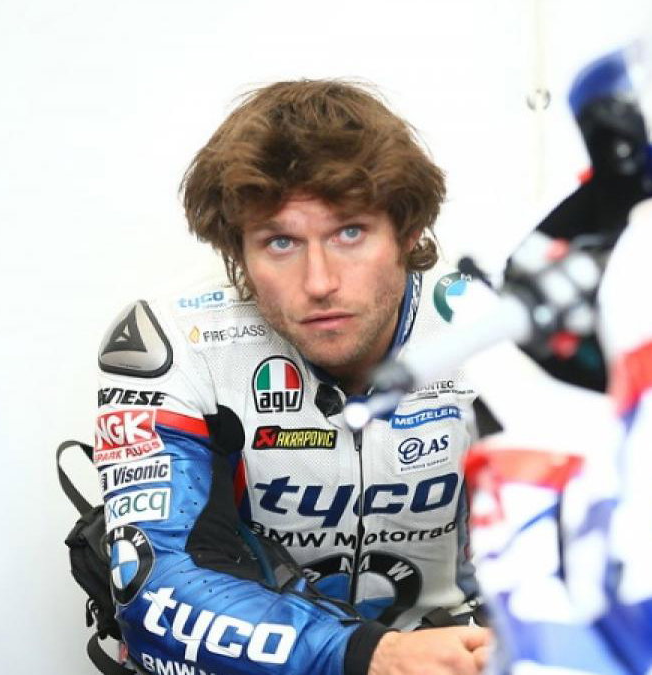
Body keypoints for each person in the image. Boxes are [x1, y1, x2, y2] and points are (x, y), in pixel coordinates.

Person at [94, 79, 492, 675]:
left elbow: (580, 544)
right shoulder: (172, 340)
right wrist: (370, 655)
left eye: (349, 232)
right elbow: (152, 583)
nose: (320, 281)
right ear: (238, 255)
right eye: (280, 241)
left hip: (455, 647)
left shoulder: (491, 328)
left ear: (408, 233)